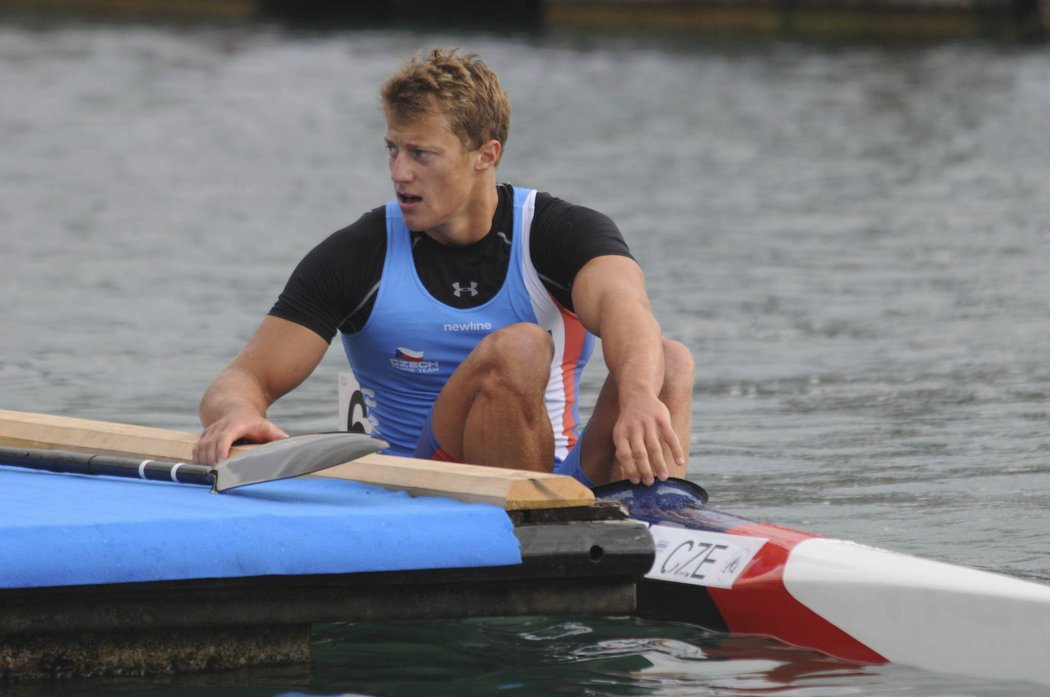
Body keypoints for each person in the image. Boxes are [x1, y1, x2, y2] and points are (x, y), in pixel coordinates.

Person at [194, 47, 694, 487]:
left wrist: (639, 398)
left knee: (667, 363)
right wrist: (237, 414)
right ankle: (539, 529)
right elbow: (246, 377)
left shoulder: (560, 233)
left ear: (485, 155)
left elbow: (627, 310)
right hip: (423, 480)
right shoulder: (359, 253)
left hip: (564, 476)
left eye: (421, 153)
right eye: (392, 148)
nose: (399, 172)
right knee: (519, 346)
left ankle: (657, 515)